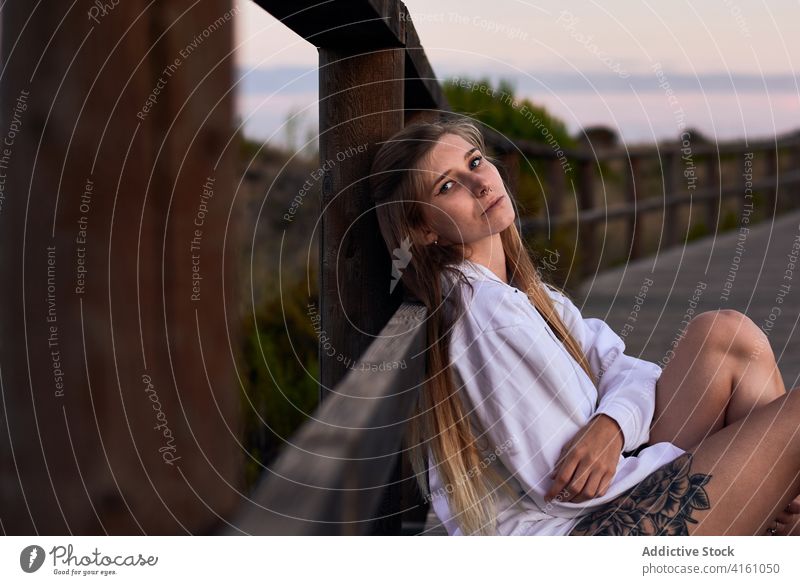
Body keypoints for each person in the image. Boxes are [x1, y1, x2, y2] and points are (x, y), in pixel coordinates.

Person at [367, 116, 800, 536]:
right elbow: (569, 491)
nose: (479, 183)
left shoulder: (530, 294)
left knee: (724, 334)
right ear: (424, 231)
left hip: (608, 495)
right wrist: (750, 468)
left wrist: (611, 424)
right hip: (575, 531)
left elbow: (624, 367)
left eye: (476, 162)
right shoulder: (485, 314)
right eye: (447, 186)